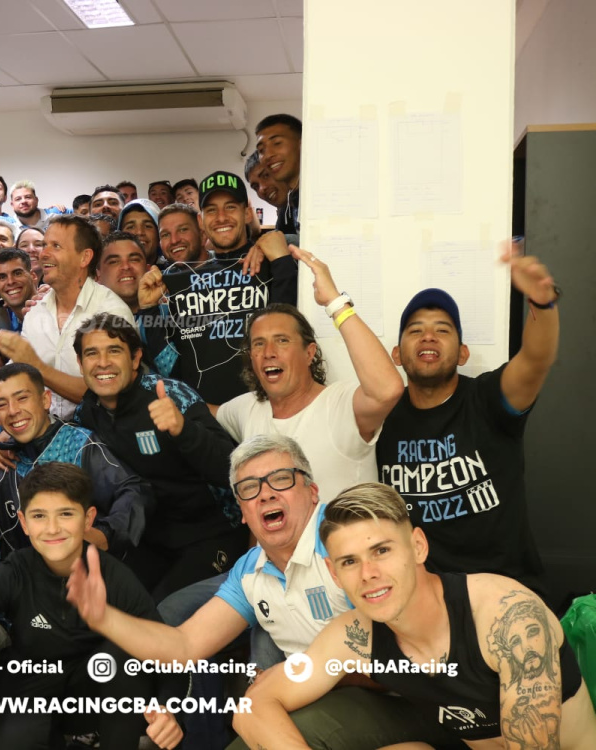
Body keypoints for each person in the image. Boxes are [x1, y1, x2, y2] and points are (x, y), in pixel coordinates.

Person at [64, 435, 464, 750]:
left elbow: (413, 658)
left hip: (412, 697)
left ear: (312, 491)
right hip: (313, 696)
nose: (267, 494)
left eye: (281, 479)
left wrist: (313, 677)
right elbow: (184, 646)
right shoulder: (249, 570)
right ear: (241, 511)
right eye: (250, 488)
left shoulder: (346, 545)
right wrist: (104, 617)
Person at [233, 482, 596, 750]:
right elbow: (252, 706)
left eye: (381, 551)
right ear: (334, 573)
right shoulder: (355, 635)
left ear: (418, 547)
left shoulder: (505, 614)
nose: (368, 573)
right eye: (350, 562)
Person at [0, 462, 184, 750]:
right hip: (31, 680)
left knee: (125, 655)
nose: (53, 528)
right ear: (24, 522)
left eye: (66, 514)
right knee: (11, 740)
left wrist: (169, 708)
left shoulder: (114, 576)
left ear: (88, 519)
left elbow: (168, 650)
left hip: (93, 690)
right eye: (39, 516)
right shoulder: (15, 571)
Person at [378, 246, 560, 598]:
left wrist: (542, 304)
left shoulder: (487, 399)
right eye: (415, 330)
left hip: (507, 591)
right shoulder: (381, 416)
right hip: (426, 597)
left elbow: (535, 360)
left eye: (442, 330)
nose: (428, 336)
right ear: (397, 355)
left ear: (463, 353)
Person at [74, 314, 243, 600]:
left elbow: (232, 469)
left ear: (135, 358)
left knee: (164, 612)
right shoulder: (88, 412)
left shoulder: (169, 395)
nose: (102, 362)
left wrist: (184, 430)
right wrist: (7, 442)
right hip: (149, 541)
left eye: (114, 351)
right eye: (92, 353)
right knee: (112, 601)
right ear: (80, 364)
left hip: (212, 533)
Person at [218, 250, 404, 499]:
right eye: (259, 344)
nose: (269, 352)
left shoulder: (339, 404)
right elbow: (199, 412)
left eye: (282, 340)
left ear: (309, 353)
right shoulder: (247, 408)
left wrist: (335, 303)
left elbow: (387, 390)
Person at [137, 170, 297, 408]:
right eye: (211, 210)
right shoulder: (180, 282)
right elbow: (170, 366)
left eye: (230, 207)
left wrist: (281, 261)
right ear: (201, 221)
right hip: (207, 420)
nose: (221, 217)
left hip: (269, 410)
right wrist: (149, 309)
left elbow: (290, 332)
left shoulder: (273, 261)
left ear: (247, 213)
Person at [0, 363, 152, 559]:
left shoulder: (79, 444)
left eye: (22, 398)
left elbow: (135, 490)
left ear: (45, 400)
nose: (13, 411)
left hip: (89, 569)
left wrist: (104, 535)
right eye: (2, 405)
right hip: (26, 575)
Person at [0, 214, 135, 419]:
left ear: (84, 258)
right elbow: (17, 378)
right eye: (44, 245)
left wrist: (38, 367)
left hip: (102, 433)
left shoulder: (112, 312)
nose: (43, 254)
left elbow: (109, 393)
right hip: (44, 432)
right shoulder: (35, 312)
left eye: (56, 246)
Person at [255, 114, 301, 236]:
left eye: (277, 143)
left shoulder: (322, 195)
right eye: (261, 150)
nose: (268, 155)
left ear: (301, 144)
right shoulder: (289, 207)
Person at [95, 231, 148, 313]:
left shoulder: (168, 313)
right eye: (114, 262)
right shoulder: (83, 318)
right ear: (98, 275)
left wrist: (150, 308)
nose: (126, 266)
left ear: (148, 269)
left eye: (134, 259)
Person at [0, 247, 38, 330]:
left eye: (17, 273)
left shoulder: (55, 310)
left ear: (33, 276)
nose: (10, 282)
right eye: (2, 277)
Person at [118, 199, 161, 265]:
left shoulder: (174, 269)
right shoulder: (110, 270)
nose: (139, 232)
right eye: (130, 227)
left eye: (147, 226)